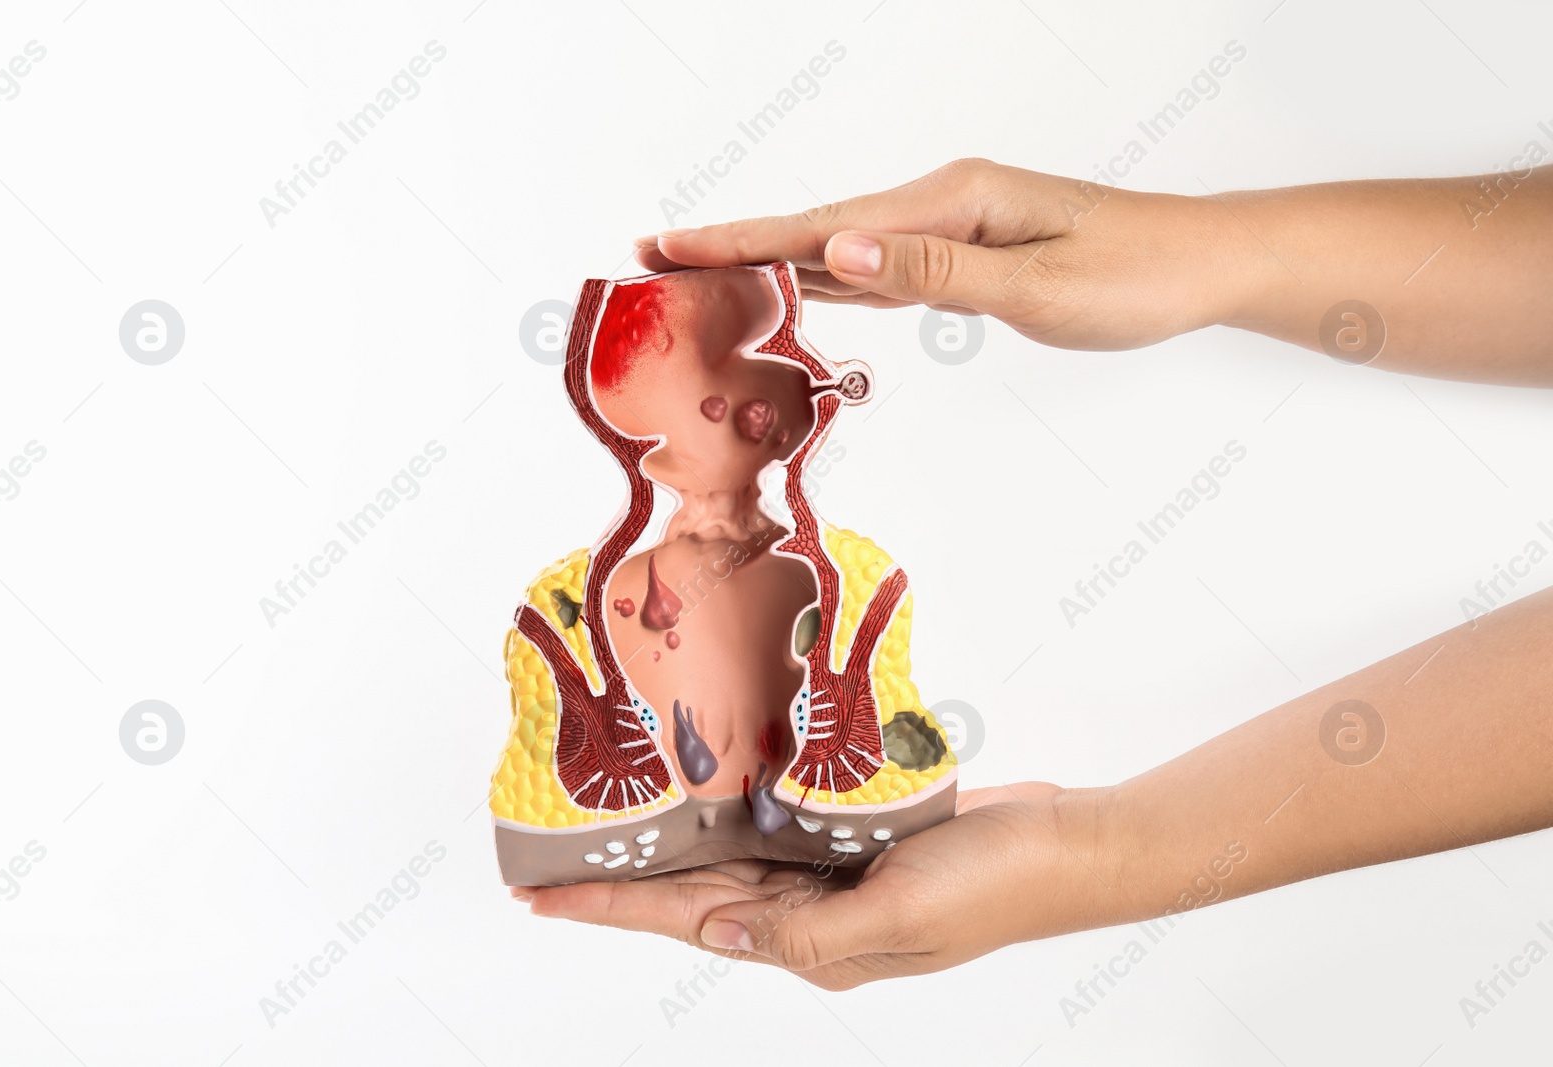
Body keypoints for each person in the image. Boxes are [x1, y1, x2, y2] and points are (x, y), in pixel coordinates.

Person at [510, 159, 1553, 991]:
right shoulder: (591, 597)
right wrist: (1213, 251)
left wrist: (1105, 853)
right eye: (675, 422)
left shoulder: (848, 579)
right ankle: (649, 749)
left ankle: (817, 743)